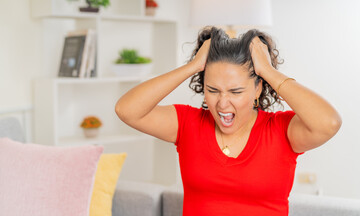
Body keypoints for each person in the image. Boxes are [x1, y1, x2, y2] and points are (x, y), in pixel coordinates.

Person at [115, 26, 342, 216]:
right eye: (213, 90)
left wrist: (267, 71)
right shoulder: (187, 124)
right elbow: (127, 110)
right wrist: (192, 66)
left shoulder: (281, 131)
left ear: (257, 88)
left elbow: (329, 123)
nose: (222, 104)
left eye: (235, 92)